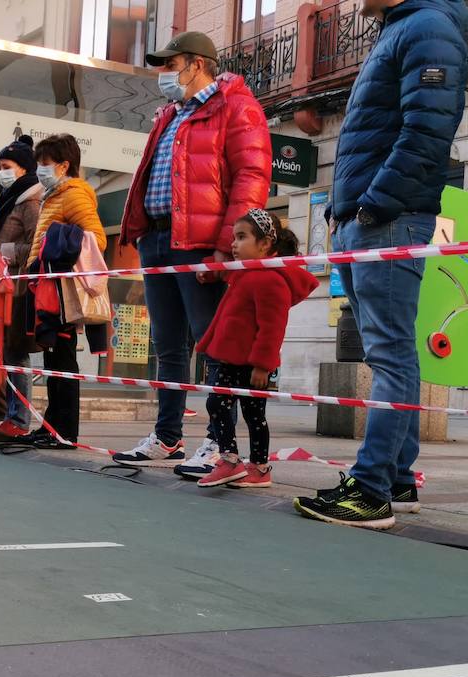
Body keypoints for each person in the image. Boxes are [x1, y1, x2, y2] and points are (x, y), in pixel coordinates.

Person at [293, 0, 468, 528]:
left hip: (388, 219)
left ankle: (371, 491)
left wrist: (373, 203)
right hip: (374, 217)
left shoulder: (427, 27)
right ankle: (394, 478)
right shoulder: (406, 29)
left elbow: (427, 133)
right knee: (391, 351)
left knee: (390, 355)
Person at [114, 31, 273, 473]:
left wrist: (227, 247)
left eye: (170, 64)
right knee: (167, 345)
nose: (164, 73)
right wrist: (141, 233)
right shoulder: (170, 114)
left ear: (197, 63)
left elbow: (252, 177)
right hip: (158, 239)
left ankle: (219, 444)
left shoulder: (236, 106)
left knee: (215, 345)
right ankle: (168, 437)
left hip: (202, 243)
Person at [193, 210, 315, 488]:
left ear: (265, 244)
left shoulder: (269, 278)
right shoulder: (247, 272)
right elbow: (226, 275)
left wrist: (263, 364)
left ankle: (247, 465)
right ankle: (239, 463)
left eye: (241, 237)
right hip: (232, 359)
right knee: (225, 406)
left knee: (251, 414)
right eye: (234, 237)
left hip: (251, 364)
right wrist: (209, 270)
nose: (233, 244)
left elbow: (273, 326)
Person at [20, 133, 106, 446]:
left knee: (63, 359)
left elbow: (96, 238)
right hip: (47, 285)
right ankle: (52, 426)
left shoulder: (73, 194)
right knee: (54, 360)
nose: (40, 170)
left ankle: (64, 431)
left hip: (60, 289)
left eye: (45, 164)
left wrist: (56, 244)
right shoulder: (54, 194)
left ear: (63, 165)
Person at [0, 135, 44, 437]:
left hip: (17, 287)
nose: (2, 172)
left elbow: (37, 244)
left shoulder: (30, 201)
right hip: (1, 285)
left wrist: (5, 253)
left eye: (7, 166)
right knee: (6, 352)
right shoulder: (9, 200)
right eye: (0, 166)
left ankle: (19, 418)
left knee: (16, 353)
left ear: (23, 168)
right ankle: (9, 413)